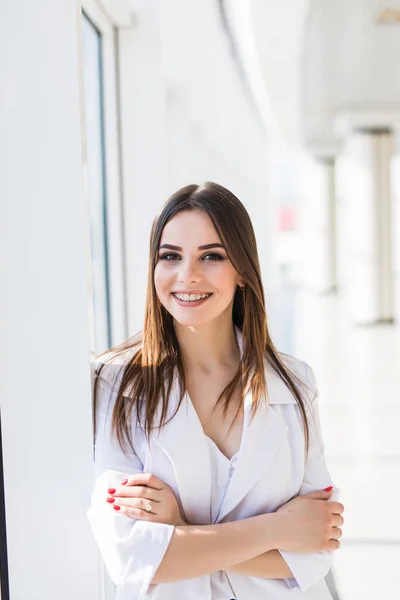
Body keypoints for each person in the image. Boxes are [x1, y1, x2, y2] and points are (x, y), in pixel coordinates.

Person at [87, 182, 344, 600]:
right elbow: (133, 557)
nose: (187, 274)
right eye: (170, 256)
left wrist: (181, 531)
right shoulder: (116, 384)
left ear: (242, 269)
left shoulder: (294, 384)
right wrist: (278, 530)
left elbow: (316, 548)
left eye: (211, 256)